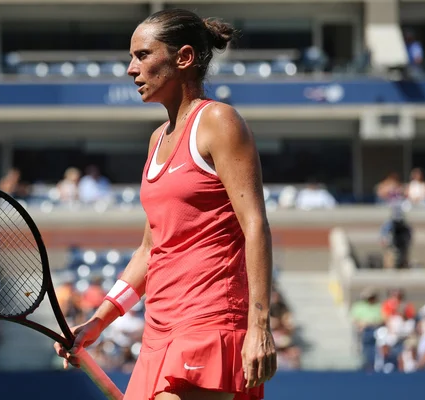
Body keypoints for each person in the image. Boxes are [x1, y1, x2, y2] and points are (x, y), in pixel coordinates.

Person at [54, 8, 277, 400]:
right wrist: (97, 323)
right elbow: (151, 248)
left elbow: (255, 225)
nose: (130, 69)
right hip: (159, 328)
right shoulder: (156, 139)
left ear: (184, 58)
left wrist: (259, 325)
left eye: (142, 55)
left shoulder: (220, 122)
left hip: (209, 319)